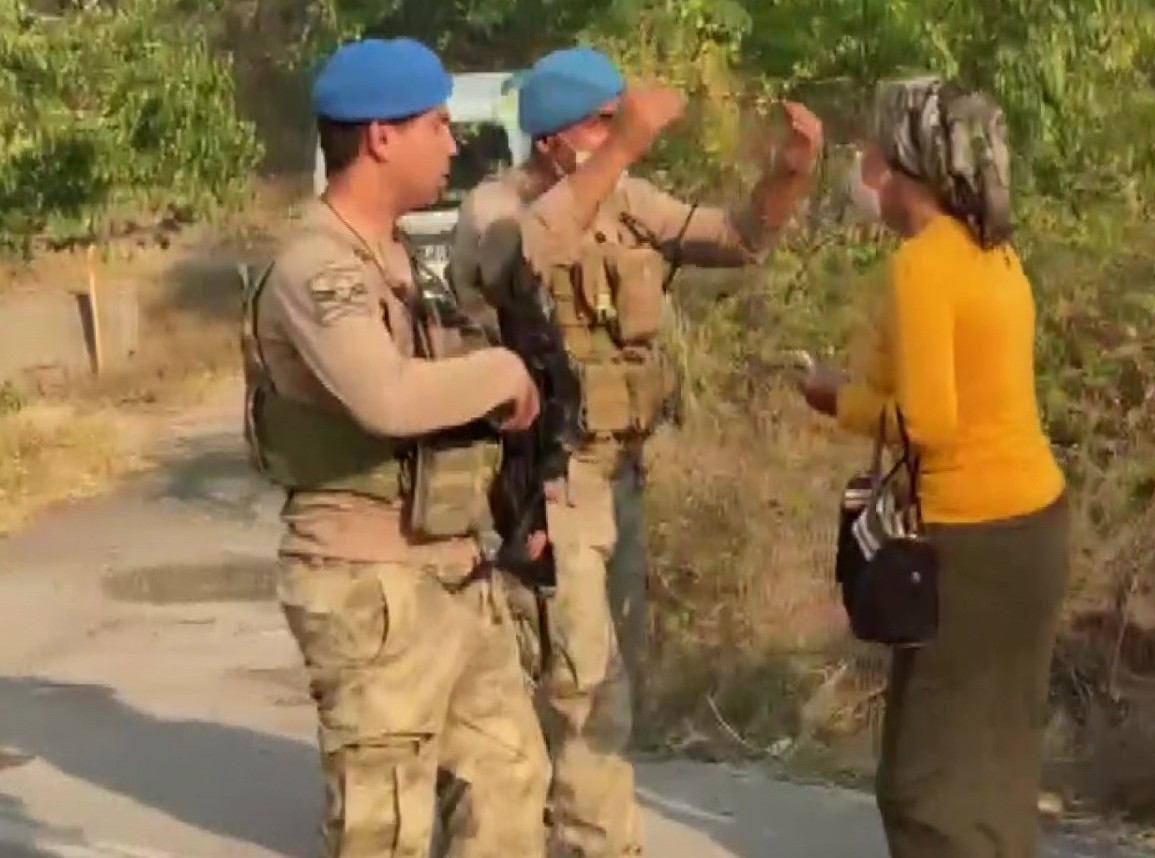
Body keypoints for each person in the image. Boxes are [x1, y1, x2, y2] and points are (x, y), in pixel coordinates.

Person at [449, 45, 823, 858]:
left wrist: (790, 176)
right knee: (584, 684)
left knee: (597, 673)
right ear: (553, 140)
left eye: (618, 125)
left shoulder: (623, 201)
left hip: (618, 475)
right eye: (601, 126)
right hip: (547, 479)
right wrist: (619, 154)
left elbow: (736, 238)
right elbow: (514, 265)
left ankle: (548, 827)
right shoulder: (494, 209)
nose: (619, 139)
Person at [239, 37, 550, 858]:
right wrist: (502, 371)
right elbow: (386, 396)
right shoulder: (318, 266)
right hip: (367, 582)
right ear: (381, 137)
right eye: (438, 125)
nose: (453, 143)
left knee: (511, 783)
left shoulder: (403, 258)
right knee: (387, 830)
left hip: (451, 568)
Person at [796, 76, 1069, 858]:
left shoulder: (924, 265)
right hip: (1034, 524)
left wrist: (835, 399)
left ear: (907, 163)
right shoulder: (994, 252)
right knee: (996, 758)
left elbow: (931, 424)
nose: (863, 167)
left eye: (875, 151)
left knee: (924, 786)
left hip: (971, 538)